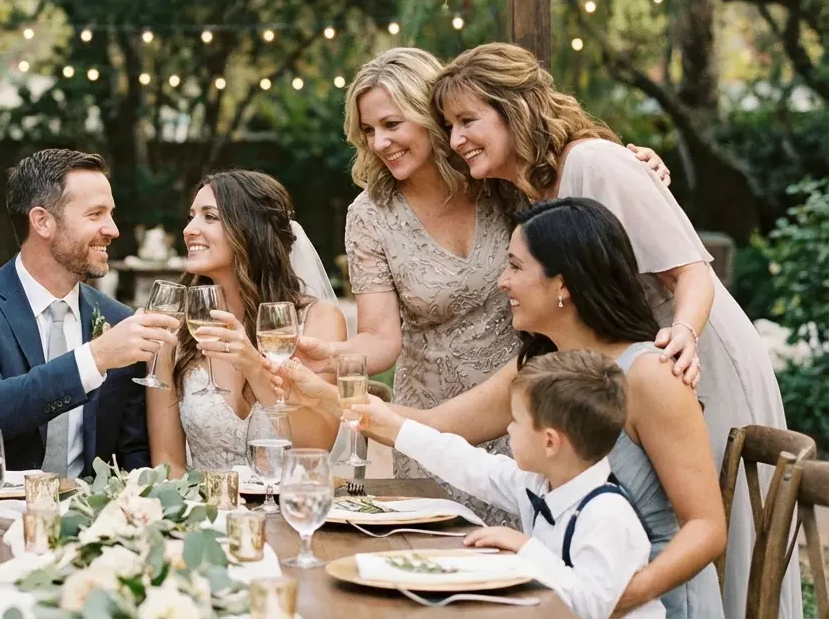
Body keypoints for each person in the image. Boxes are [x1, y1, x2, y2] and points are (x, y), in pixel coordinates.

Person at [431, 43, 790, 619]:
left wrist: (685, 339)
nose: (456, 140)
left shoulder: (593, 163)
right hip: (638, 361)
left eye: (469, 120)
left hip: (691, 353)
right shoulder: (534, 189)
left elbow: (692, 270)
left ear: (515, 109)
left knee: (711, 522)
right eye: (450, 126)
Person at [281, 198, 725, 617]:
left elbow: (706, 528)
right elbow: (438, 429)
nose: (501, 281)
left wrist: (614, 599)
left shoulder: (651, 375)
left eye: (515, 266)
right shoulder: (540, 368)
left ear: (562, 285)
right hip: (562, 596)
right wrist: (322, 395)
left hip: (651, 602)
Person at [338, 48, 673, 525]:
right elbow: (379, 337)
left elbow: (579, 188)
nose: (379, 143)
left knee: (535, 557)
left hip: (531, 405)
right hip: (436, 416)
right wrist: (324, 358)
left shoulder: (500, 180)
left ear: (427, 116)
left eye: (391, 124)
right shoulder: (370, 214)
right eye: (368, 131)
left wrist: (636, 162)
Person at [350, 348, 665, 619]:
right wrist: (393, 426)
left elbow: (590, 608)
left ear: (551, 442)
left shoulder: (607, 515)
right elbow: (473, 466)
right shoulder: (541, 482)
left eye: (516, 421)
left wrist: (527, 549)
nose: (509, 430)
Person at [0, 149, 176, 476]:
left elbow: (132, 451)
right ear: (42, 221)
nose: (113, 229)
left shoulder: (118, 320)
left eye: (110, 214)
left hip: (87, 520)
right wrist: (95, 357)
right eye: (95, 214)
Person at [147, 170, 344, 475]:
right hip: (205, 513)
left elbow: (315, 449)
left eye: (209, 217)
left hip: (287, 510)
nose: (189, 229)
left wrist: (253, 366)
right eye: (191, 216)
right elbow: (167, 462)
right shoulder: (175, 328)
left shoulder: (318, 321)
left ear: (251, 230)